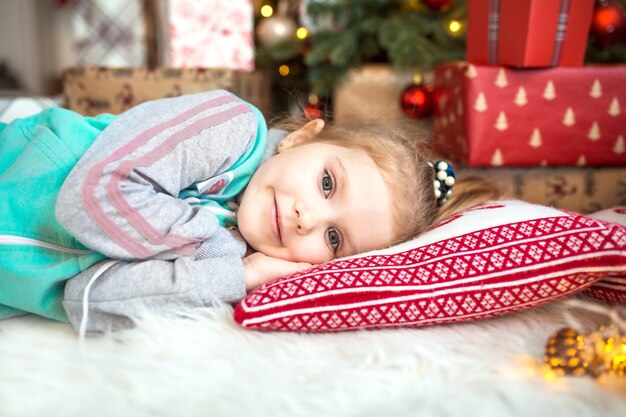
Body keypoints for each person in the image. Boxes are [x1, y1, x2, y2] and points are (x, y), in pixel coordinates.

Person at [0, 90, 501, 334]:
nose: (309, 218)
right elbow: (95, 196)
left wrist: (242, 275)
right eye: (327, 183)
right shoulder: (232, 131)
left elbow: (90, 299)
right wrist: (215, 248)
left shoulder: (235, 255)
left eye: (333, 240)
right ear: (303, 137)